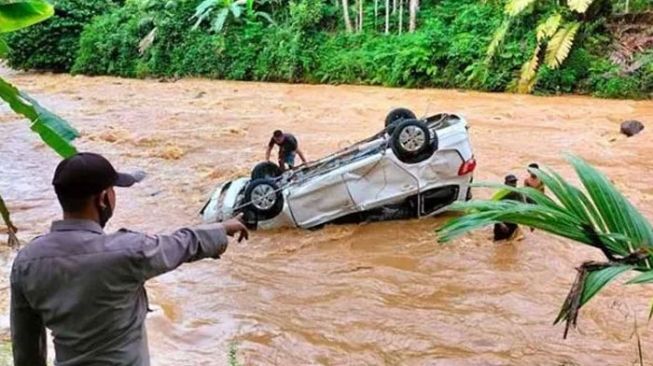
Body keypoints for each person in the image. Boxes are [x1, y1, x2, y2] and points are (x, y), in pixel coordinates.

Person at [10, 152, 248, 366]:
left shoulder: (27, 262)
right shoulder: (127, 252)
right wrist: (221, 229)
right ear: (103, 199)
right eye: (113, 191)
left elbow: (26, 350)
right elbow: (182, 244)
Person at [493, 174, 525, 241]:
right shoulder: (500, 194)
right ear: (506, 183)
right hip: (501, 222)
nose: (513, 184)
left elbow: (524, 207)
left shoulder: (519, 194)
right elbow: (493, 211)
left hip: (512, 221)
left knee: (511, 243)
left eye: (515, 182)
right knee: (498, 243)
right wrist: (501, 224)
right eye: (511, 182)